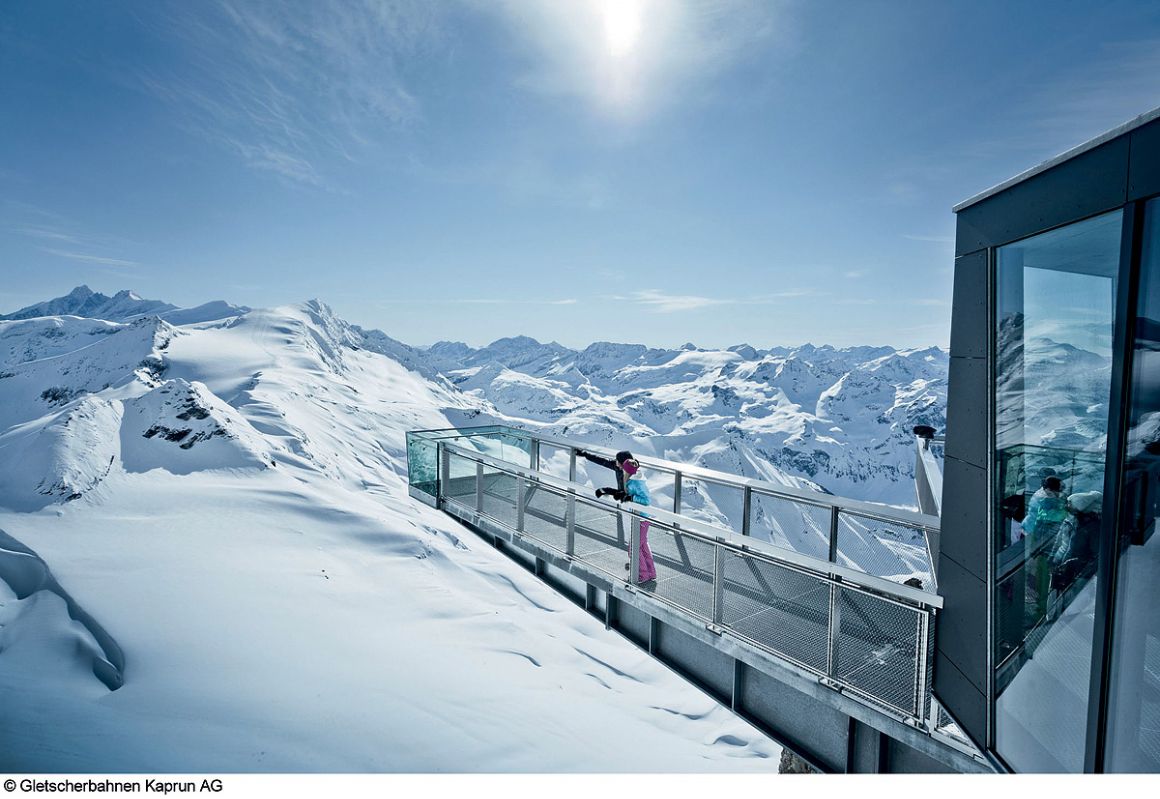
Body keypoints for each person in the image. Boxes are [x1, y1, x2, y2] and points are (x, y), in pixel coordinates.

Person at [577, 448, 657, 583]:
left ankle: (642, 575)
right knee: (641, 545)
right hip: (633, 512)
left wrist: (628, 497)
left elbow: (642, 499)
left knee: (634, 547)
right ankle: (650, 572)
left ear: (624, 464)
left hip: (639, 515)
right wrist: (586, 455)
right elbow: (602, 462)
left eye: (618, 462)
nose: (616, 464)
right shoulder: (628, 471)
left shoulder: (634, 480)